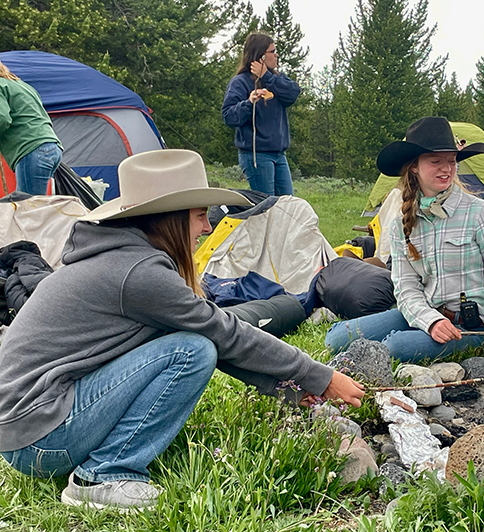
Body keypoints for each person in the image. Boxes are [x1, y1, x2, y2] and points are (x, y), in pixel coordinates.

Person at [0, 149, 364, 511]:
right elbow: (225, 334)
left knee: (193, 343)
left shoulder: (122, 258)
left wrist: (287, 389)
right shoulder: (139, 274)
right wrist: (321, 376)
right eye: (200, 216)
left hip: (25, 429)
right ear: (170, 219)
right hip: (40, 438)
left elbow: (219, 339)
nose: (207, 227)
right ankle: (100, 476)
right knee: (191, 351)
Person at [325, 117, 484, 362]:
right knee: (335, 341)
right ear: (414, 166)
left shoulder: (482, 213)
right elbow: (406, 288)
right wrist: (430, 321)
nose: (447, 168)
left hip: (475, 326)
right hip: (428, 313)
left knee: (395, 348)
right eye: (435, 161)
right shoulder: (401, 224)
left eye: (451, 161)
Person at [222, 33, 299, 196]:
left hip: (279, 154)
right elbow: (229, 116)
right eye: (273, 51)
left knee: (288, 205)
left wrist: (266, 77)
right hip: (256, 155)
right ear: (261, 57)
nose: (277, 54)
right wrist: (248, 103)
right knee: (267, 207)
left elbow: (293, 93)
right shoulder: (240, 82)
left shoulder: (276, 79)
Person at [0, 60, 63, 195]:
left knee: (28, 208)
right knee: (36, 205)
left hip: (30, 150)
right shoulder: (20, 84)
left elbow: (2, 119)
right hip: (52, 147)